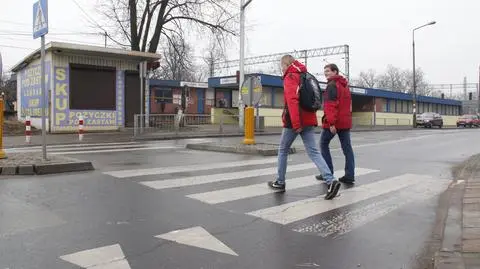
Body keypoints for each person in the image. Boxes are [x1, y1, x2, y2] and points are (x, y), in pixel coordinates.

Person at [268, 55, 341, 200]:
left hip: (295, 120)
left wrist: (296, 124)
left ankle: (280, 182)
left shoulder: (291, 76)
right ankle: (331, 180)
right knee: (314, 151)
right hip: (308, 118)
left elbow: (292, 101)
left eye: (281, 65)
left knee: (283, 150)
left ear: (285, 64)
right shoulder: (305, 75)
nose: (281, 68)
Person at [316, 63, 355, 184]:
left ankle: (327, 172)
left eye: (328, 71)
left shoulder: (332, 85)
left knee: (323, 144)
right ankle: (350, 175)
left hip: (334, 122)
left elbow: (330, 106)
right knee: (347, 149)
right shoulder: (345, 85)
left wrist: (331, 123)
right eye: (325, 71)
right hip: (345, 122)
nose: (326, 73)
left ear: (335, 72)